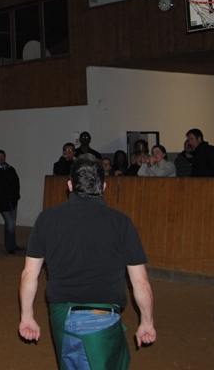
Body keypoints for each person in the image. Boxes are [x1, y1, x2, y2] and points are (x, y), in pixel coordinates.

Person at [19, 157, 156, 369]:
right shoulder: (121, 223)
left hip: (64, 316)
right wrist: (147, 322)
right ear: (103, 186)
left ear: (70, 185)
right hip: (106, 318)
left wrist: (27, 316)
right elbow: (141, 282)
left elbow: (29, 274)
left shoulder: (46, 219)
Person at [0, 149, 21, 254]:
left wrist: (16, 196)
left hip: (13, 201)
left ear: (5, 157)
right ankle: (9, 247)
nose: (1, 158)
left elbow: (16, 183)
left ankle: (12, 244)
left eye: (2, 156)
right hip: (2, 203)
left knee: (12, 224)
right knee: (10, 223)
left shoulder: (11, 169)